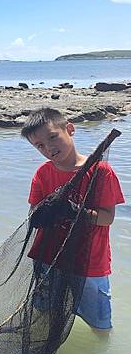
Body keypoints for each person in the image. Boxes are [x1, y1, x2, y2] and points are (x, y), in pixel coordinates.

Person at [21, 107, 124, 332]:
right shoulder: (42, 173)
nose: (48, 148)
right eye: (40, 146)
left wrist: (76, 212)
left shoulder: (102, 172)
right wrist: (42, 212)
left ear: (69, 129)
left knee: (100, 327)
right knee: (44, 319)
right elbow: (33, 214)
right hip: (48, 258)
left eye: (52, 137)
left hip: (89, 264)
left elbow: (107, 218)